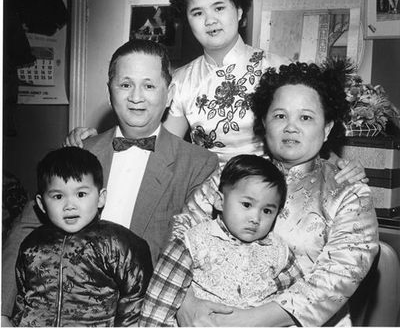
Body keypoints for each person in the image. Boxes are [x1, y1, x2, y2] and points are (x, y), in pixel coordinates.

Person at [65, 0, 366, 184]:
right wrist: (94, 142)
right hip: (206, 194)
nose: (210, 20)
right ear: (187, 20)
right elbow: (159, 148)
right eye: (198, 12)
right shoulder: (180, 81)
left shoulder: (277, 68)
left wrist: (340, 162)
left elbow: (308, 129)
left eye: (219, 8)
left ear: (239, 11)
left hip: (273, 192)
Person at [1, 39, 219, 325]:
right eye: (125, 85)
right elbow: (28, 227)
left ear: (170, 94)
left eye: (149, 86)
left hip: (146, 313)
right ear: (109, 92)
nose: (136, 97)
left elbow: (195, 251)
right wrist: (3, 310)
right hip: (68, 308)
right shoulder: (82, 151)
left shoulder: (199, 163)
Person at [148, 62, 380, 327]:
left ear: (327, 129)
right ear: (263, 122)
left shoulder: (348, 192)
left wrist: (248, 321)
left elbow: (338, 277)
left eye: (306, 117)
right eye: (280, 116)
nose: (291, 127)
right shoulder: (234, 174)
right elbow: (181, 230)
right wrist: (186, 303)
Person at [139, 154, 304, 326]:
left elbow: (298, 301)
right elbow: (158, 307)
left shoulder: (279, 251)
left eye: (267, 211)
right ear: (219, 201)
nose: (256, 218)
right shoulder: (192, 243)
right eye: (247, 205)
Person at [10, 146, 153, 327]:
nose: (70, 205)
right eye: (58, 196)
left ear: (100, 198)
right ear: (41, 204)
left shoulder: (117, 243)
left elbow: (136, 300)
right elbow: (23, 299)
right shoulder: (32, 245)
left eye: (81, 194)